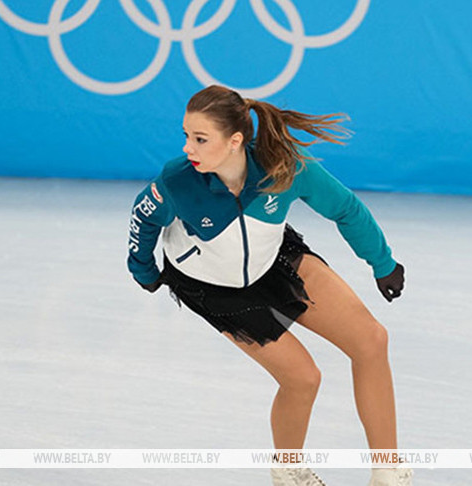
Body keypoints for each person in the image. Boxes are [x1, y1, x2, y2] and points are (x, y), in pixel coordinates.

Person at [126, 85, 413, 486]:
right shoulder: (178, 181)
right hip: (213, 288)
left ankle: (387, 471)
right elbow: (143, 218)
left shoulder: (284, 167)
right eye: (187, 136)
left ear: (235, 141)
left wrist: (382, 262)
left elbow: (344, 207)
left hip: (273, 258)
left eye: (200, 139)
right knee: (303, 378)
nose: (188, 148)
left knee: (371, 340)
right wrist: (143, 271)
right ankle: (289, 471)